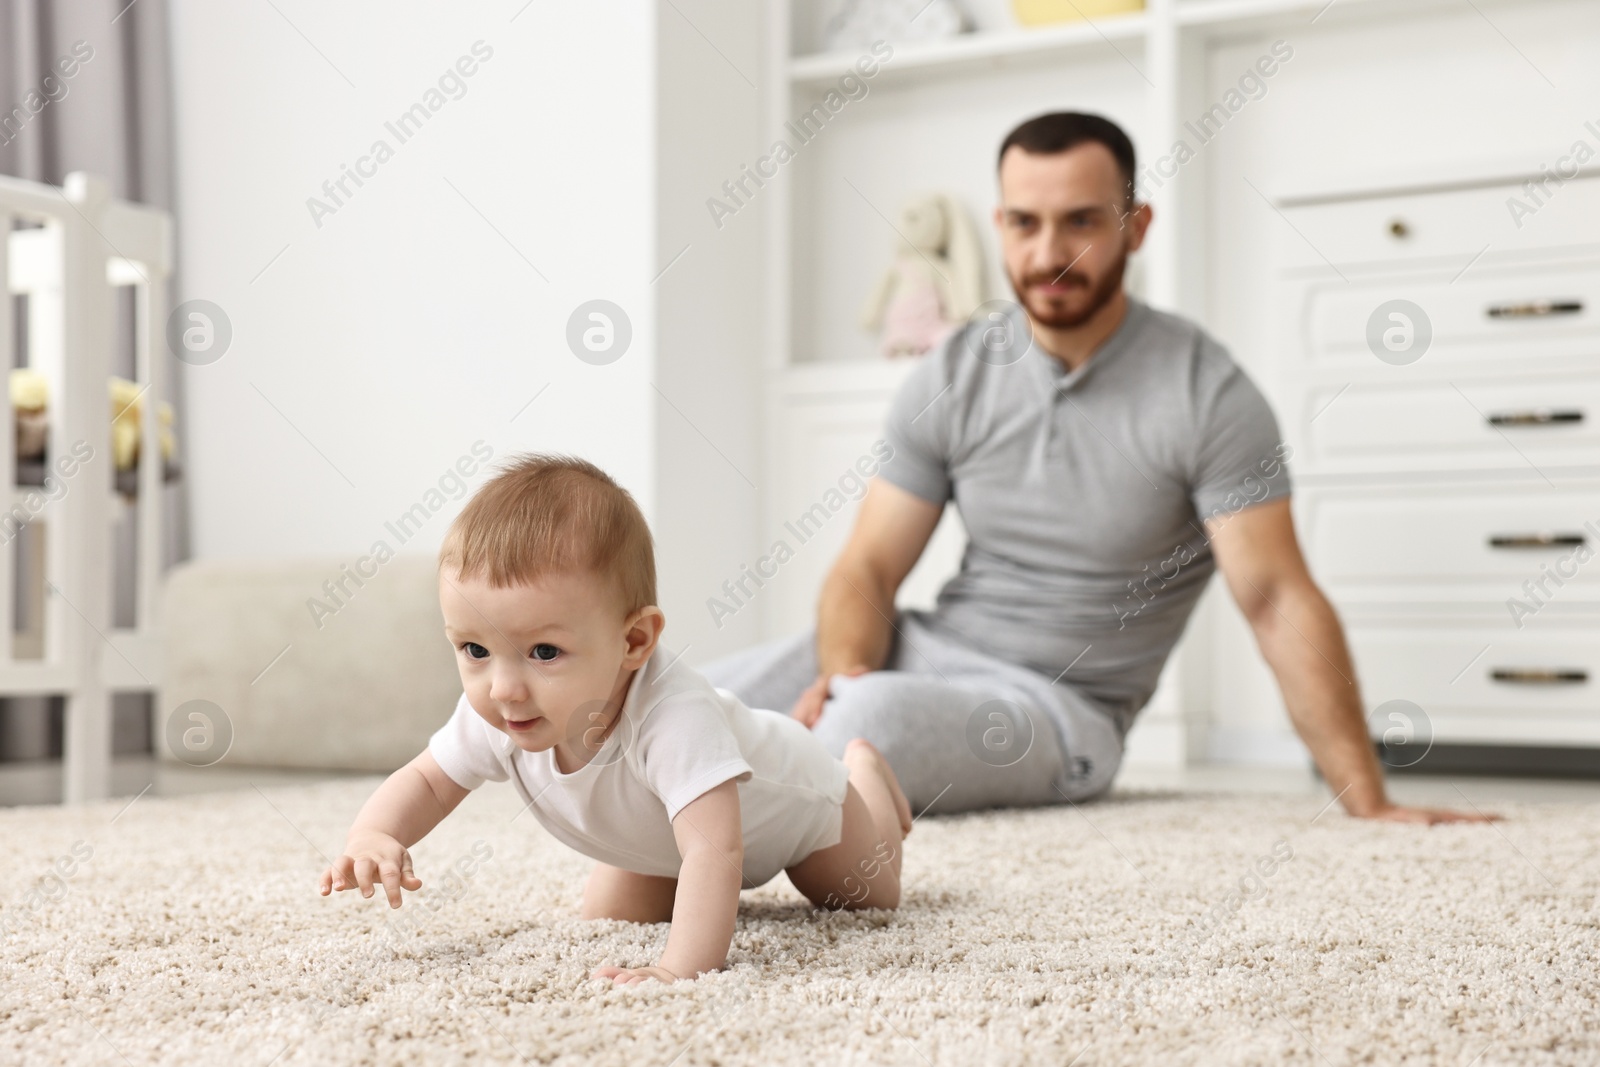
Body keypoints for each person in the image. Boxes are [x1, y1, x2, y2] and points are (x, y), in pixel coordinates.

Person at [701, 111, 1492, 826]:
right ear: (1000, 224)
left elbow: (1278, 599)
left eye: (1080, 221)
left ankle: (722, 809)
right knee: (677, 700)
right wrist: (841, 673)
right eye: (1025, 223)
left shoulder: (1210, 392)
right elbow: (865, 570)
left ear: (1134, 225)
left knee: (855, 729)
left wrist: (1367, 794)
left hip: (1056, 708)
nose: (1048, 254)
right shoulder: (954, 371)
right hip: (914, 655)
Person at [319, 454, 914, 986]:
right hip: (658, 840)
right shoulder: (502, 710)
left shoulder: (675, 718)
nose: (502, 688)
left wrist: (679, 970)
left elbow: (716, 852)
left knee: (866, 897)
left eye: (544, 652)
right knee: (607, 919)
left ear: (633, 640)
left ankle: (863, 773)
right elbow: (428, 781)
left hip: (803, 811)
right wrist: (375, 834)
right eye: (474, 650)